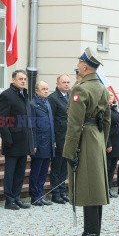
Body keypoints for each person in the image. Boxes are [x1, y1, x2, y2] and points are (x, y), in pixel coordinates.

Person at [63, 47, 110, 236]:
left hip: (85, 139)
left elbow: (74, 124)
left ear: (84, 66)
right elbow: (107, 120)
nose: (78, 67)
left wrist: (69, 152)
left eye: (79, 64)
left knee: (89, 188)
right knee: (96, 188)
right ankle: (93, 233)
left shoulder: (80, 89)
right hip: (97, 138)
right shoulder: (102, 88)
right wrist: (101, 141)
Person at [0, 70, 34, 210]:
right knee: (10, 172)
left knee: (20, 172)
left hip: (24, 141)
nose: (23, 81)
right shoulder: (6, 95)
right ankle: (9, 199)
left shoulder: (25, 95)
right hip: (12, 141)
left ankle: (17, 197)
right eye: (20, 79)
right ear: (13, 80)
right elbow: (2, 120)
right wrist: (7, 140)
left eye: (25, 79)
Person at [29, 80, 55, 206]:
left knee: (44, 171)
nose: (46, 91)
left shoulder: (47, 103)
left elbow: (51, 125)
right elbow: (32, 126)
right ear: (36, 91)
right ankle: (34, 196)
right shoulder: (33, 105)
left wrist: (53, 140)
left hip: (48, 142)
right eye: (43, 89)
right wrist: (33, 144)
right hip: (39, 143)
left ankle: (40, 194)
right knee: (36, 170)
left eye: (47, 88)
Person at [47, 74, 71, 204]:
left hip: (68, 137)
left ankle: (62, 191)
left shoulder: (71, 97)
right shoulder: (53, 98)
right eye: (64, 82)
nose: (66, 84)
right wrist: (54, 139)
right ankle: (55, 193)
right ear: (57, 84)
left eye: (68, 82)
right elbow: (51, 120)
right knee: (57, 167)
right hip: (59, 136)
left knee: (64, 167)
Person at [106, 89, 119, 198]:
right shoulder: (105, 109)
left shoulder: (115, 109)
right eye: (108, 95)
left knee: (113, 168)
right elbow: (105, 129)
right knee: (107, 167)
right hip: (110, 143)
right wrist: (107, 143)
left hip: (118, 142)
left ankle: (109, 188)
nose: (110, 97)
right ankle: (106, 189)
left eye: (111, 95)